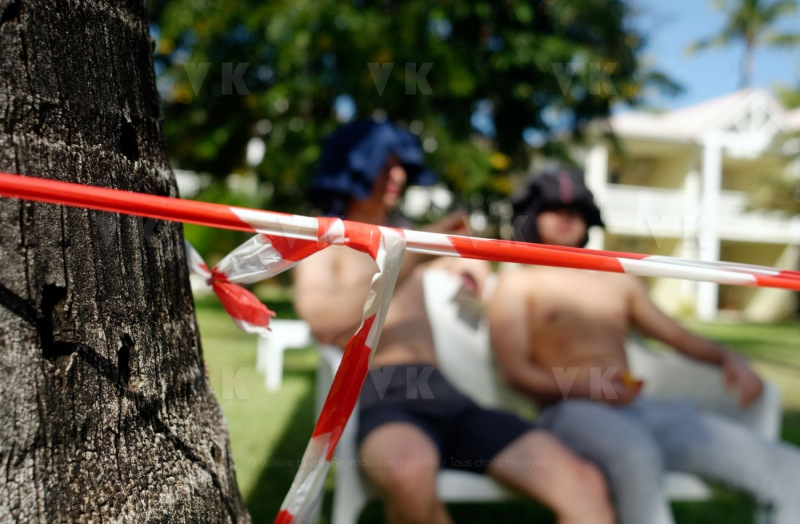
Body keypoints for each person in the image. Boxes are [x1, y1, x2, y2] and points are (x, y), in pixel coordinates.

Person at [293, 121, 614, 524]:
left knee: (583, 483)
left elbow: (463, 264)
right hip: (382, 393)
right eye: (386, 164)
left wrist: (469, 264)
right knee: (407, 476)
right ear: (353, 165)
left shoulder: (409, 235)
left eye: (400, 165)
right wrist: (413, 253)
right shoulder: (325, 243)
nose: (398, 175)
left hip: (446, 392)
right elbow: (324, 322)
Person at [488, 167, 800, 524]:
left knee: (790, 469)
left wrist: (728, 357)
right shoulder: (516, 284)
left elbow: (677, 336)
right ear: (532, 215)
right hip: (569, 413)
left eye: (575, 210)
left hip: (643, 410)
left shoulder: (615, 279)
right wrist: (591, 388)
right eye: (554, 208)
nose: (566, 217)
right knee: (635, 455)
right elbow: (516, 372)